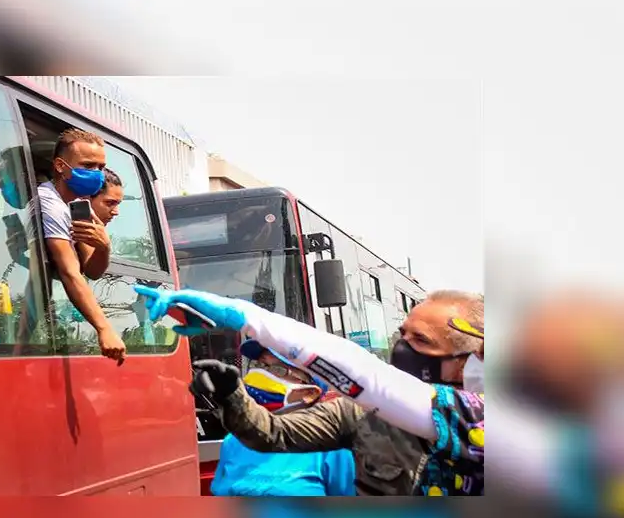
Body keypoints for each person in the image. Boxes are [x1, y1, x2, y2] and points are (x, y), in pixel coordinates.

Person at [135, 285, 485, 496]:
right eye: (402, 333)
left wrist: (246, 316)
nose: (402, 347)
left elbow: (371, 377)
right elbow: (273, 434)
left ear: (473, 357)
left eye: (420, 340)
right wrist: (231, 395)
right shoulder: (356, 412)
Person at [28, 128, 126, 364]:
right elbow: (70, 272)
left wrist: (104, 247)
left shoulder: (79, 204)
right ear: (61, 166)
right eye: (88, 166)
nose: (97, 174)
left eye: (101, 168)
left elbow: (92, 270)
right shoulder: (49, 203)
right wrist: (104, 328)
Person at [211, 339, 356, 497]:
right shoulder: (233, 441)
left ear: (309, 393)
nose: (259, 375)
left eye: (276, 370)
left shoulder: (334, 449)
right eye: (259, 366)